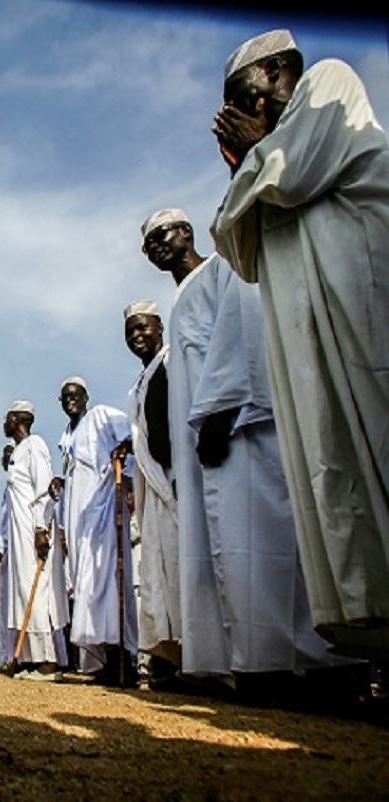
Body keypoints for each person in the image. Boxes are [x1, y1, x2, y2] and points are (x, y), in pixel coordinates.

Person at [210, 29, 389, 661]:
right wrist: (247, 168)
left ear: (282, 70)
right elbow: (240, 249)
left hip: (365, 313)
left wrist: (255, 160)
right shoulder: (269, 149)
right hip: (318, 347)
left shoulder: (328, 86)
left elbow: (285, 178)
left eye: (247, 96)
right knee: (341, 474)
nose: (242, 115)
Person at [142, 207, 340, 682]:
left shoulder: (226, 268)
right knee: (219, 550)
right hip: (203, 446)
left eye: (161, 234)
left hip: (239, 428)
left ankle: (283, 663)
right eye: (147, 244)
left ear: (186, 232)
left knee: (258, 540)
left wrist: (221, 409)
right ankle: (228, 662)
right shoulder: (182, 298)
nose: (155, 246)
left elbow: (245, 337)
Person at [116, 301, 181, 678]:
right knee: (160, 568)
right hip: (152, 485)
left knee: (179, 564)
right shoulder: (139, 382)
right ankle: (170, 656)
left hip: (173, 477)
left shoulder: (172, 363)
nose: (137, 336)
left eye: (143, 328)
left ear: (159, 327)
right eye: (130, 332)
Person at [57, 377, 136, 682]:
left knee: (106, 582)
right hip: (80, 522)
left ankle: (121, 658)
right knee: (86, 586)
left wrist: (125, 450)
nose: (70, 401)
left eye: (75, 396)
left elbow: (129, 435)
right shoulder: (68, 436)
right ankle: (97, 659)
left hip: (103, 513)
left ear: (86, 397)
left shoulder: (101, 416)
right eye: (65, 398)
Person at [2, 401, 69, 681]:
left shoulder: (35, 445)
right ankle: (28, 657)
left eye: (7, 418)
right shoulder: (17, 452)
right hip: (18, 535)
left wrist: (41, 528)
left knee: (36, 588)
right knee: (21, 589)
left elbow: (43, 489)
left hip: (33, 530)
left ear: (17, 419)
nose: (3, 423)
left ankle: (48, 659)